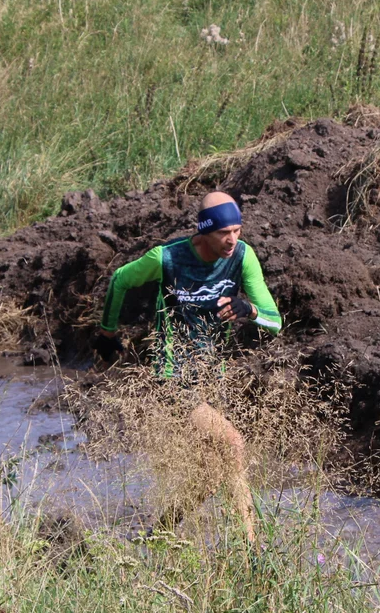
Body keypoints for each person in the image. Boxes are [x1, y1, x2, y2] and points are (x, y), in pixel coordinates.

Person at [95, 191, 282, 542]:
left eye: (238, 230)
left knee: (211, 474)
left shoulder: (243, 257)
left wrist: (249, 310)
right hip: (171, 375)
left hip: (212, 376)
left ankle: (159, 535)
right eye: (223, 232)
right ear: (204, 231)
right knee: (233, 444)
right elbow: (120, 279)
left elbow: (275, 320)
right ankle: (252, 551)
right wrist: (108, 332)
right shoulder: (167, 258)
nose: (231, 240)